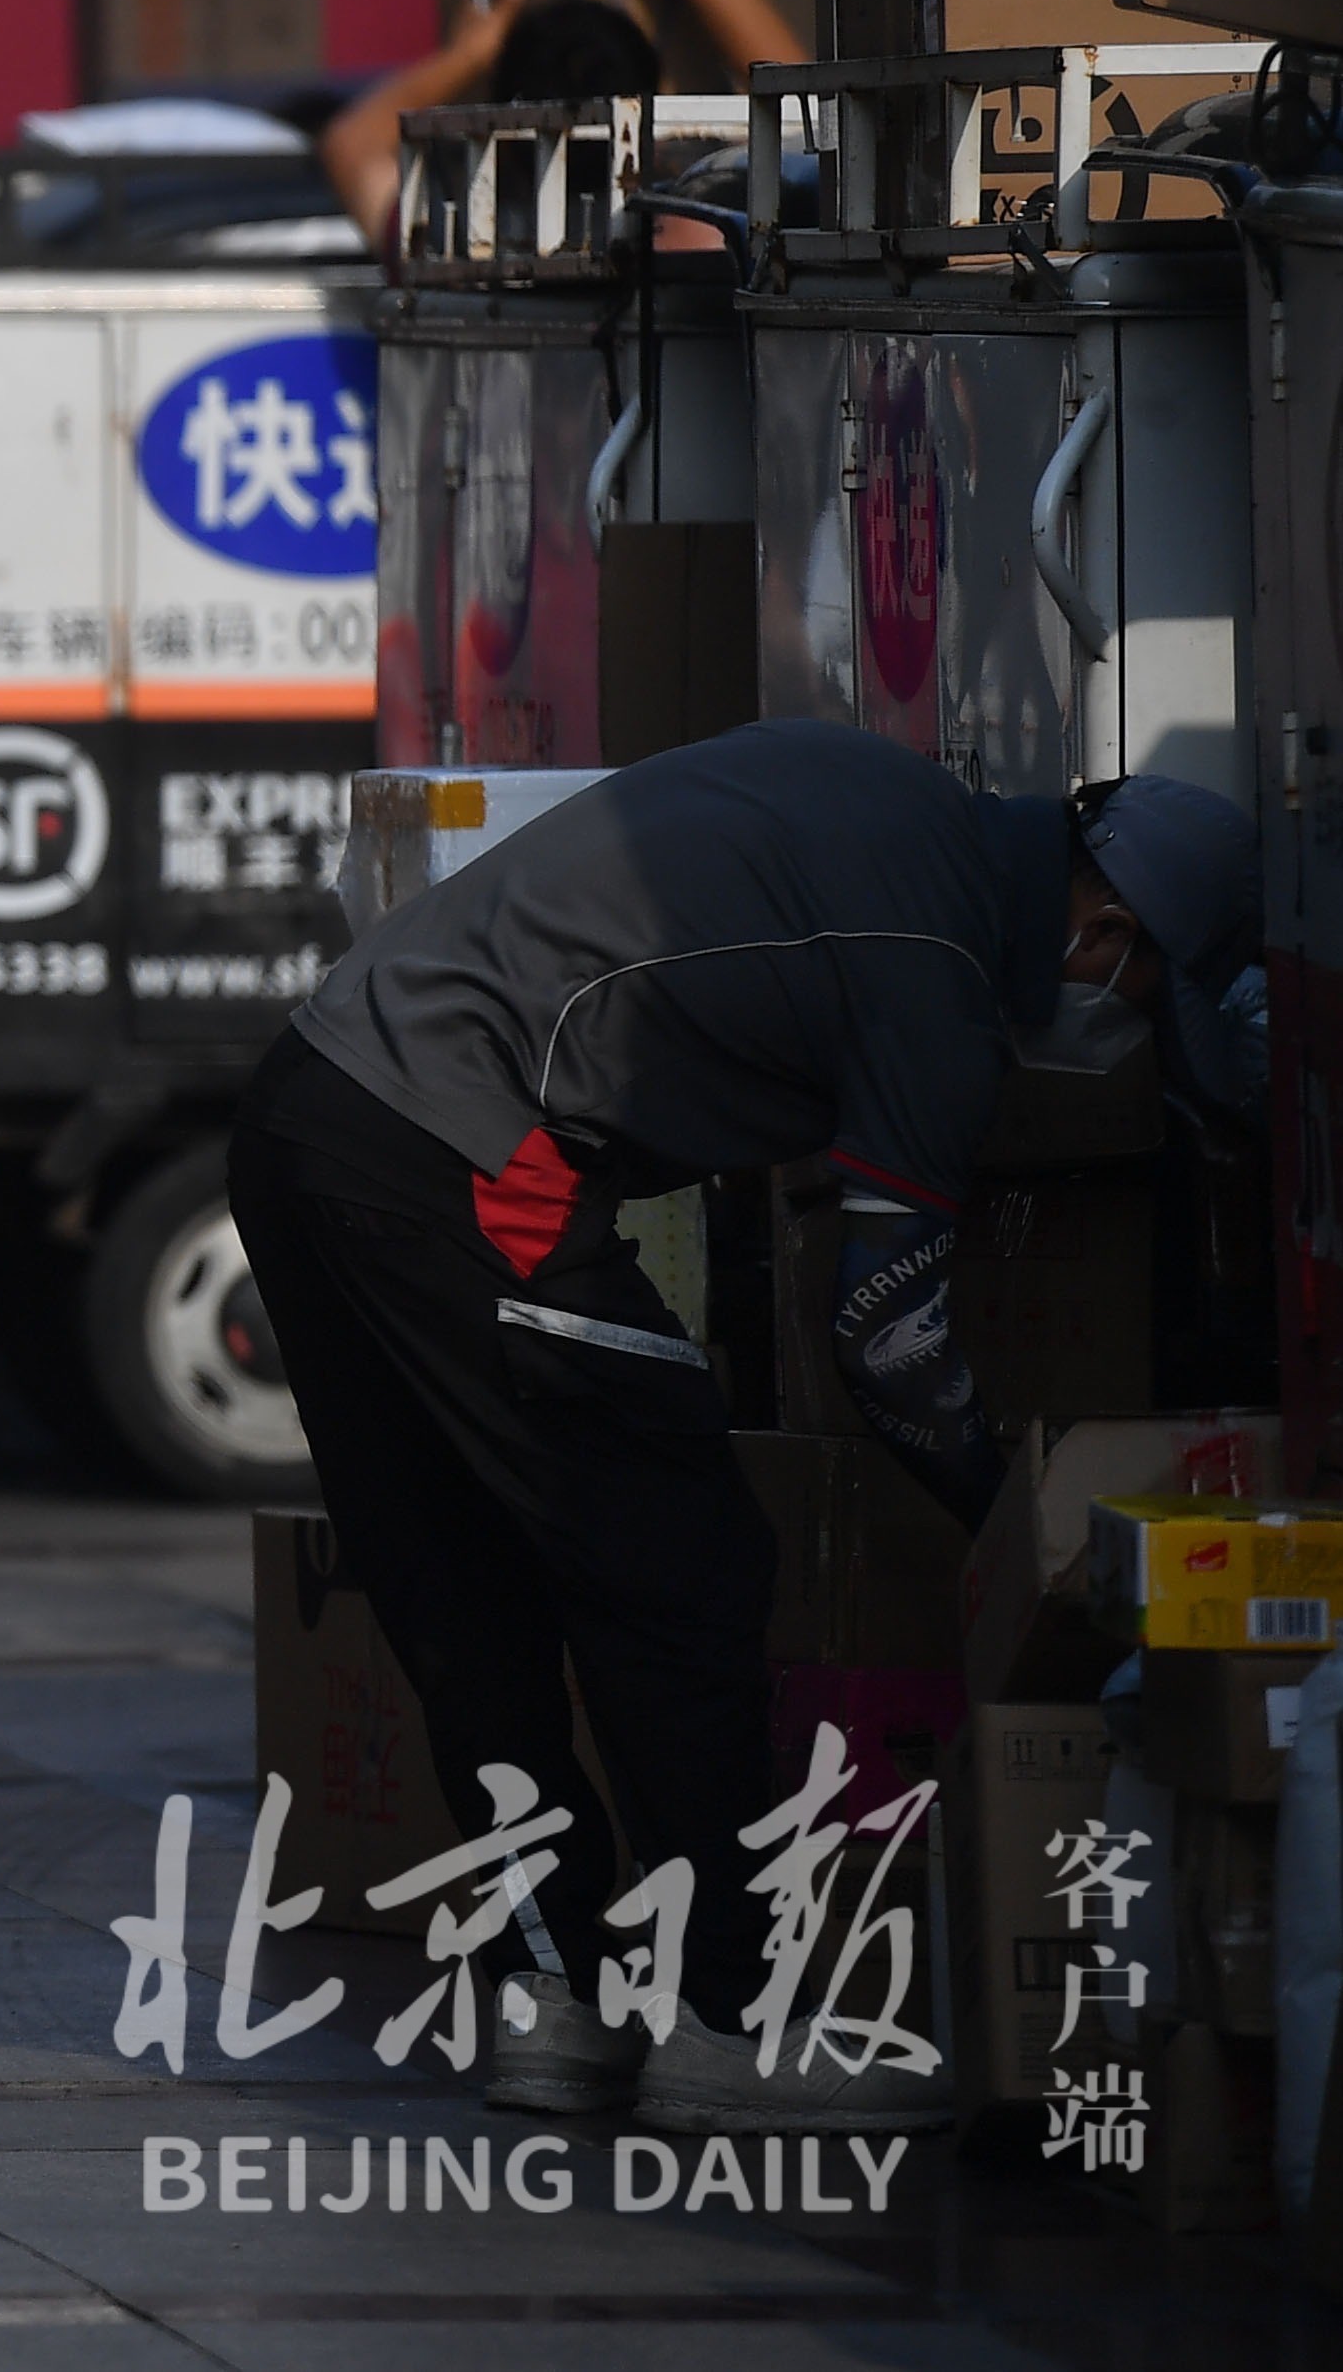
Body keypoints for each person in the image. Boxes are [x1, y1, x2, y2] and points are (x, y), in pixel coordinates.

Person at [228, 723, 1260, 2132]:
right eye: (1143, 993)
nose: (1123, 1021)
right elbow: (888, 1336)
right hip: (455, 1155)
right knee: (684, 1560)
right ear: (1103, 928)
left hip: (306, 1105)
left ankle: (562, 2004)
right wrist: (1030, 1533)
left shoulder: (894, 795)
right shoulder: (943, 964)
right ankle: (731, 2017)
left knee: (465, 1581)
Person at [316, 0, 805, 240]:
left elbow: (351, 145)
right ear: (652, 123)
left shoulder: (463, 252)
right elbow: (800, 101)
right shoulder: (700, 238)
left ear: (504, 133)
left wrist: (467, 54)